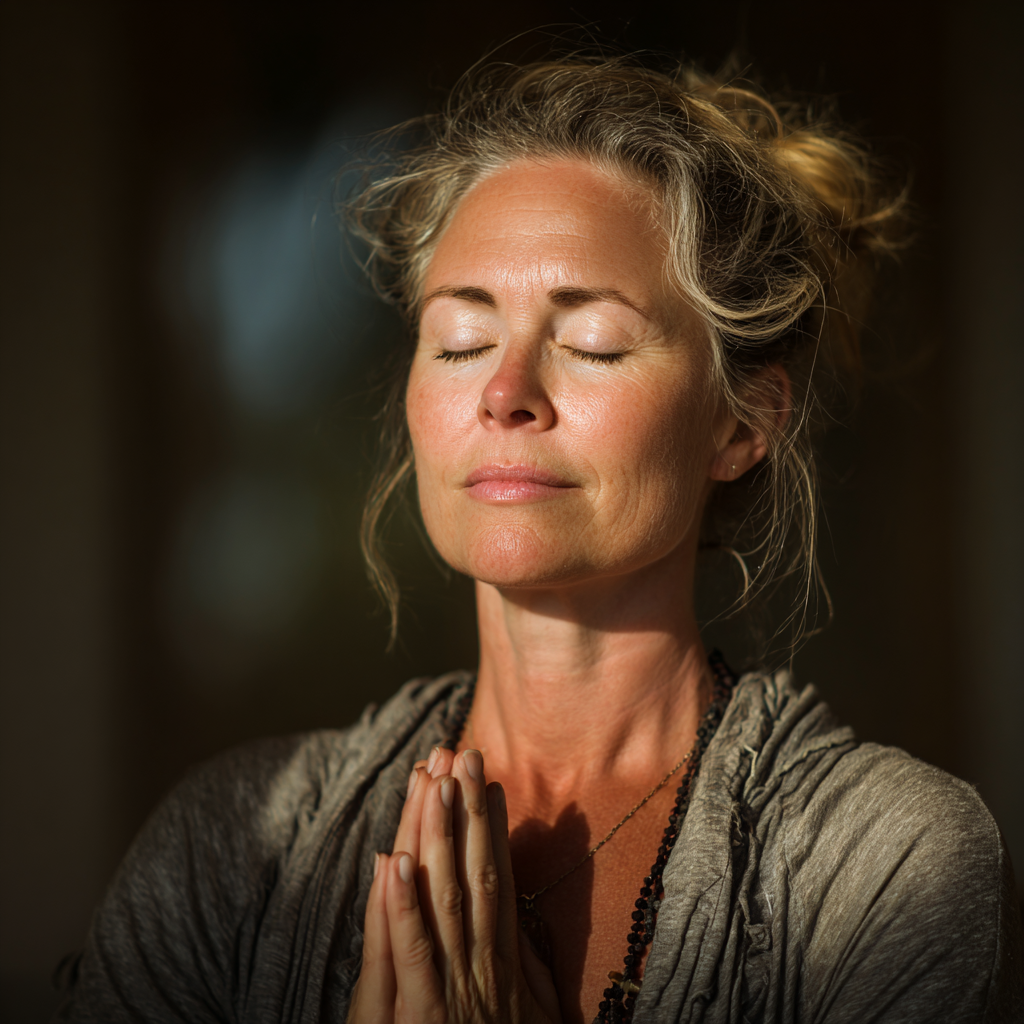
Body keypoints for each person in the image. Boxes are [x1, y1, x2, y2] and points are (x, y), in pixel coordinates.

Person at [56, 56, 1022, 1024]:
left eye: (593, 342)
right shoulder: (235, 841)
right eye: (461, 341)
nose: (503, 390)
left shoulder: (881, 860)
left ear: (739, 423)